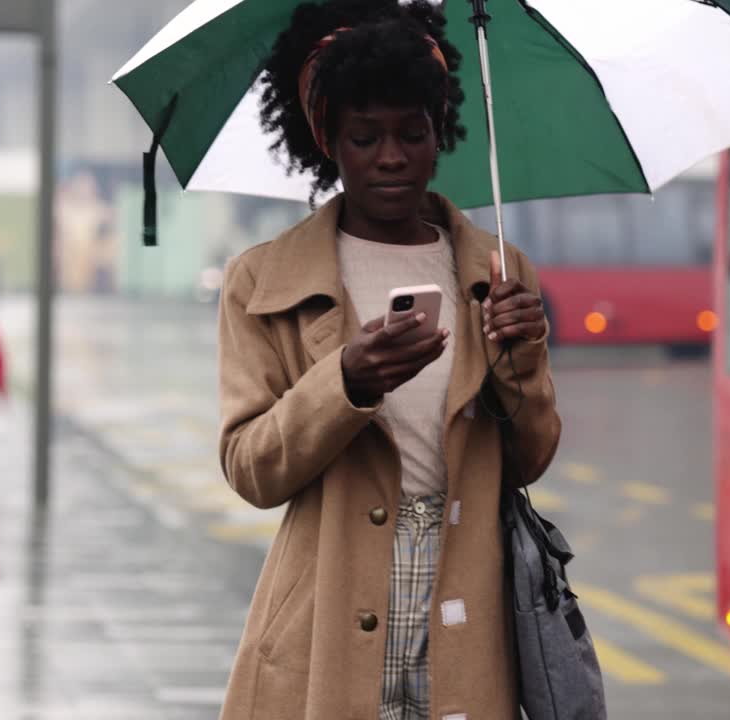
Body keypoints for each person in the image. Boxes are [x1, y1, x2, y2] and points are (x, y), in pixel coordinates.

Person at [215, 2, 560, 719]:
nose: (393, 156)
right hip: (325, 608)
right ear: (329, 143)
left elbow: (527, 461)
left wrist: (521, 357)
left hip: (470, 595)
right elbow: (250, 467)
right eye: (365, 136)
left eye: (414, 132)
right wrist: (346, 382)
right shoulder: (263, 282)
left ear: (442, 132)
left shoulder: (496, 270)